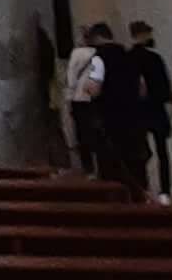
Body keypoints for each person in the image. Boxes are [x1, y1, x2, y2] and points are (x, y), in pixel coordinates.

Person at [94, 26, 155, 197]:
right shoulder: (130, 57)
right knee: (135, 165)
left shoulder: (98, 59)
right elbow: (143, 89)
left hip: (110, 118)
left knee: (112, 164)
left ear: (96, 38)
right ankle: (140, 198)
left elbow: (94, 89)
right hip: (133, 118)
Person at [128, 20, 172, 197]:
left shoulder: (128, 59)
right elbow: (164, 90)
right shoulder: (154, 59)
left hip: (135, 113)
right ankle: (165, 192)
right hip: (155, 110)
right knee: (162, 153)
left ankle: (142, 187)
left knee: (139, 152)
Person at [63, 24, 111, 175]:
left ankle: (88, 167)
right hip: (95, 98)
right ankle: (101, 166)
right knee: (97, 133)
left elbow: (71, 78)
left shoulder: (77, 53)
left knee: (82, 134)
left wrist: (70, 94)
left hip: (79, 98)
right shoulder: (99, 53)